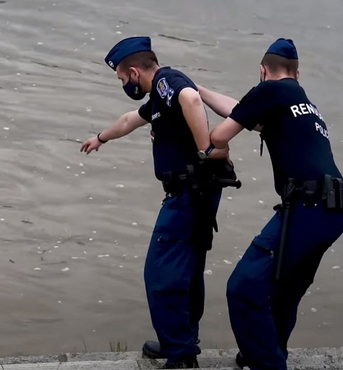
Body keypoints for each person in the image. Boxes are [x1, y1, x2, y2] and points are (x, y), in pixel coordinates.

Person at [198, 38, 343, 370]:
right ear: (297, 73)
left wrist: (212, 148)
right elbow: (238, 110)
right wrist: (198, 89)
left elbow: (219, 136)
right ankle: (270, 351)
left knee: (242, 288)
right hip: (336, 209)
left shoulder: (271, 92)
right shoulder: (299, 101)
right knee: (285, 290)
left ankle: (268, 363)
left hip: (309, 208)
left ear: (262, 71)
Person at [81, 36, 238, 369]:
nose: (124, 84)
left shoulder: (168, 83)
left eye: (123, 78)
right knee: (187, 270)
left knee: (160, 273)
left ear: (135, 72)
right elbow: (129, 120)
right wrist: (101, 138)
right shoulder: (158, 99)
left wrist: (205, 150)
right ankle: (181, 340)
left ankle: (180, 354)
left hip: (189, 195)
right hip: (196, 193)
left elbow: (192, 99)